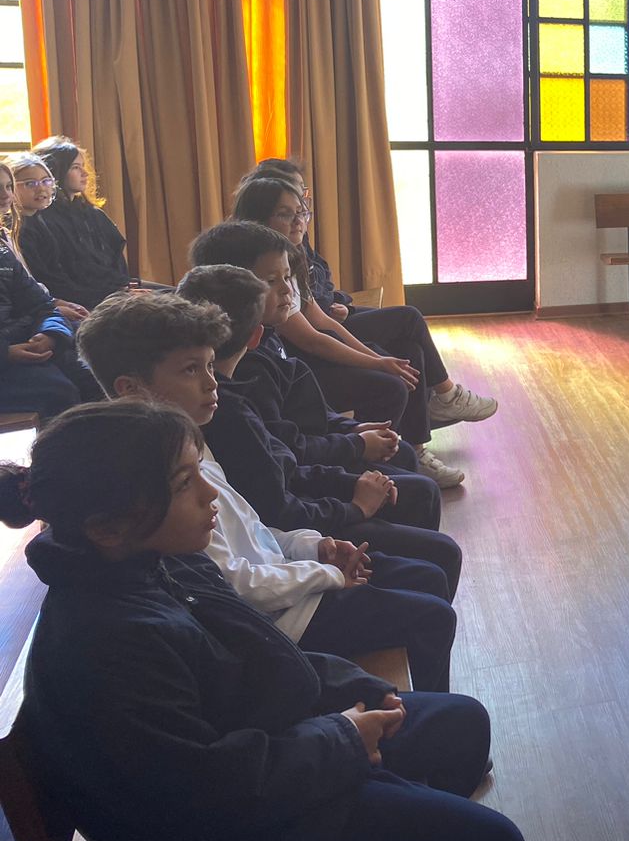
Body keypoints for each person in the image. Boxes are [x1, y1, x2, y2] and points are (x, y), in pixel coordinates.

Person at [0, 401, 524, 841]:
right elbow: (202, 791)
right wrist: (342, 739)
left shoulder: (165, 561)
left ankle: (408, 812)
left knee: (464, 724)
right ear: (106, 527)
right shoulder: (105, 643)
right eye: (184, 484)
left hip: (277, 752)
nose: (209, 492)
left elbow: (264, 650)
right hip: (233, 837)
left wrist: (353, 688)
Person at [77, 287, 463, 598]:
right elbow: (239, 572)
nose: (212, 383)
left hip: (289, 561)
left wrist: (313, 547)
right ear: (130, 389)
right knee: (431, 578)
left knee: (429, 566)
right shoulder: (167, 460)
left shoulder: (191, 431)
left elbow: (255, 525)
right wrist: (349, 515)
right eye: (192, 370)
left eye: (209, 365)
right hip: (283, 602)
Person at [246, 157, 497, 429]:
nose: (299, 219)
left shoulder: (293, 249)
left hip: (328, 324)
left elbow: (321, 306)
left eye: (301, 208)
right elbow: (312, 340)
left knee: (408, 351)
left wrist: (374, 352)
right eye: (286, 213)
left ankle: (415, 442)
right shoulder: (265, 261)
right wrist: (377, 363)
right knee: (403, 338)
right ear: (261, 216)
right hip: (301, 364)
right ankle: (428, 410)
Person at [0, 160, 102, 418]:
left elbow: (42, 305)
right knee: (60, 393)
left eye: (8, 187)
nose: (5, 195)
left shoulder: (3, 253)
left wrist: (50, 334)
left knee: (101, 370)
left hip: (25, 341)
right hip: (8, 354)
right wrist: (6, 353)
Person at [15, 136, 135, 308]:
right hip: (87, 298)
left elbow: (116, 259)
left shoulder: (93, 214)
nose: (85, 173)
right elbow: (57, 279)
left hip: (114, 290)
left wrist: (125, 288)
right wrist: (118, 295)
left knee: (171, 296)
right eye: (75, 167)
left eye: (83, 167)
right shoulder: (39, 220)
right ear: (56, 171)